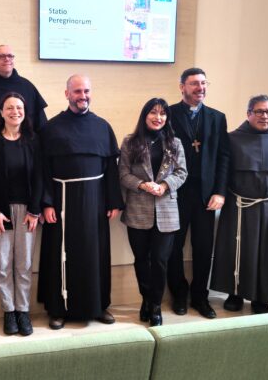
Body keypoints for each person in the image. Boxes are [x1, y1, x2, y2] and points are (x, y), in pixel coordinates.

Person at [37, 74, 124, 330]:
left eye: (86, 91)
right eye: (76, 91)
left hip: (95, 203)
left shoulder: (102, 126)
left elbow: (111, 168)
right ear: (67, 94)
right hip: (62, 203)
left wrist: (113, 201)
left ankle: (97, 306)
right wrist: (47, 203)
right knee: (60, 255)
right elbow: (42, 169)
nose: (82, 95)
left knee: (93, 254)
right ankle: (58, 308)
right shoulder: (51, 128)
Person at [211, 95, 268, 314]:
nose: (265, 116)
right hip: (239, 204)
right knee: (237, 249)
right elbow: (223, 171)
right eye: (259, 111)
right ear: (249, 113)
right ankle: (234, 293)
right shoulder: (233, 139)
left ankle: (261, 297)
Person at [166, 67, 230, 319]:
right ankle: (179, 294)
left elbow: (224, 157)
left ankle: (201, 296)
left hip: (206, 195)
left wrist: (220, 192)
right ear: (182, 87)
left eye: (203, 83)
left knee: (204, 248)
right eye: (194, 84)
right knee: (174, 247)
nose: (200, 88)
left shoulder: (217, 117)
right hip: (176, 193)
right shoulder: (168, 114)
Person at [119, 98, 187, 327]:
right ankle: (146, 299)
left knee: (159, 261)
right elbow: (123, 174)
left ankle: (156, 305)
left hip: (167, 210)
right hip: (138, 210)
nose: (158, 117)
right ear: (145, 115)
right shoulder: (130, 142)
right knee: (141, 260)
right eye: (153, 112)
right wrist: (142, 185)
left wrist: (165, 185)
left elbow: (181, 172)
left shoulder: (174, 142)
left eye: (163, 114)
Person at [0, 92, 42, 336]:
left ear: (24, 112)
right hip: (1, 213)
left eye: (19, 107)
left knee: (24, 264)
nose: (15, 111)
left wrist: (35, 210)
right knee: (4, 264)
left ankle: (23, 311)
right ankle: (9, 312)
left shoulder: (33, 140)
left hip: (27, 212)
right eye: (10, 108)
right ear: (1, 112)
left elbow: (40, 178)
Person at [0, 45, 48, 135]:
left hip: (27, 144)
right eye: (1, 56)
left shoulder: (27, 86)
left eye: (10, 56)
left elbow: (41, 122)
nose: (7, 59)